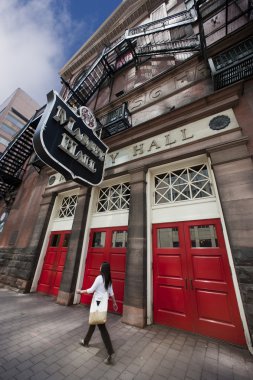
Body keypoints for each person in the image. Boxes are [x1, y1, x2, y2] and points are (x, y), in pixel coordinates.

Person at [76, 262, 118, 365]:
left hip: (97, 304)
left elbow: (91, 290)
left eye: (100, 265)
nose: (99, 266)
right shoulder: (108, 280)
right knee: (93, 322)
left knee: (102, 328)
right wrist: (114, 303)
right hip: (102, 305)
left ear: (102, 268)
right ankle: (86, 341)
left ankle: (110, 353)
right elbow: (111, 293)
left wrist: (80, 291)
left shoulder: (100, 278)